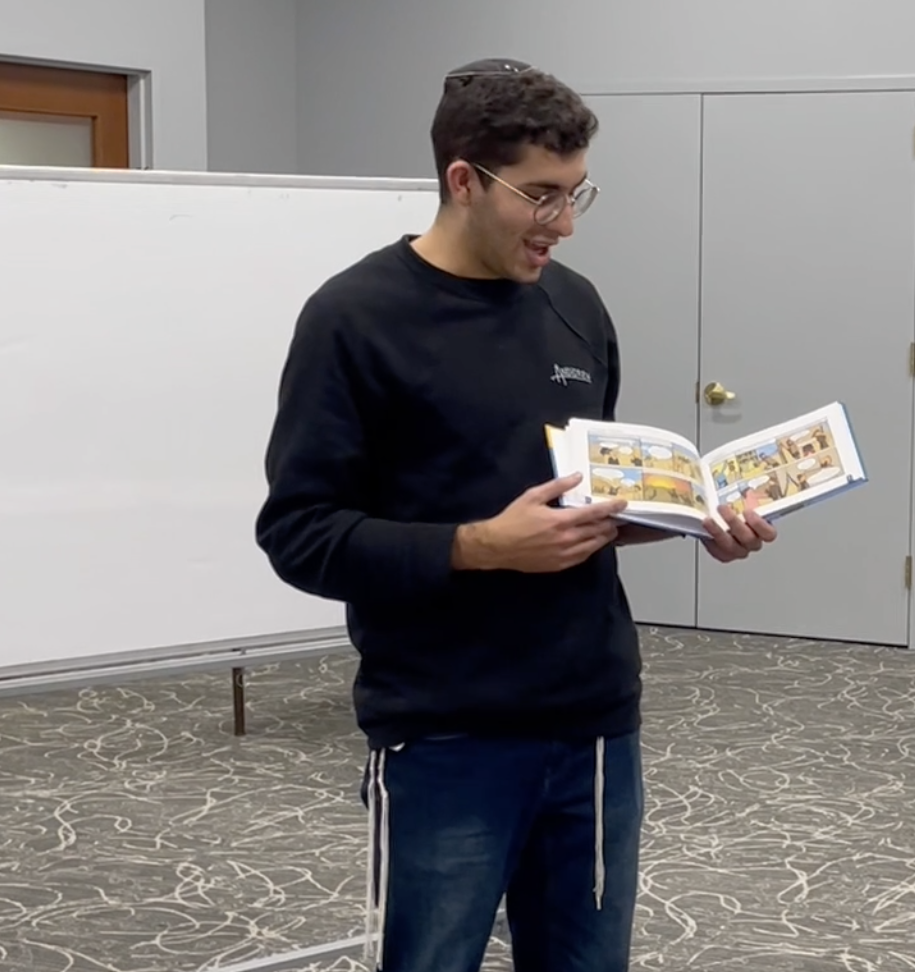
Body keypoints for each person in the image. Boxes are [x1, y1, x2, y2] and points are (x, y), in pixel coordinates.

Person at [255, 56, 777, 972]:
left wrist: (688, 519)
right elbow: (299, 534)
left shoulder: (575, 307)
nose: (564, 225)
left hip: (594, 720)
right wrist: (478, 547)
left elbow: (585, 505)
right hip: (444, 731)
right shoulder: (353, 319)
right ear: (463, 180)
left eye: (577, 194)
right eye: (541, 196)